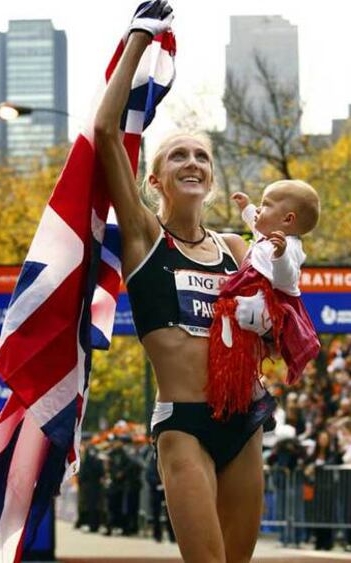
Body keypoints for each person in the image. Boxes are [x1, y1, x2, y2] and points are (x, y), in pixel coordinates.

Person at [94, 1, 278, 561]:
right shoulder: (146, 240)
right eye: (178, 156)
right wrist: (136, 41)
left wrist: (272, 320)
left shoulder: (239, 249)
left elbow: (274, 333)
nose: (192, 162)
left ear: (214, 176)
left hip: (245, 421)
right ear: (155, 179)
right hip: (184, 426)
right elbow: (105, 132)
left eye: (201, 155)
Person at [205, 182, 321, 420]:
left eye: (265, 205)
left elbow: (287, 279)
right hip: (251, 291)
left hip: (269, 300)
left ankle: (250, 385)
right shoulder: (268, 235)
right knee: (239, 331)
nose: (259, 209)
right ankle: (252, 386)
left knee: (242, 311)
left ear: (287, 220)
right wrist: (246, 208)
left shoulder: (290, 248)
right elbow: (256, 225)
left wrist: (279, 256)